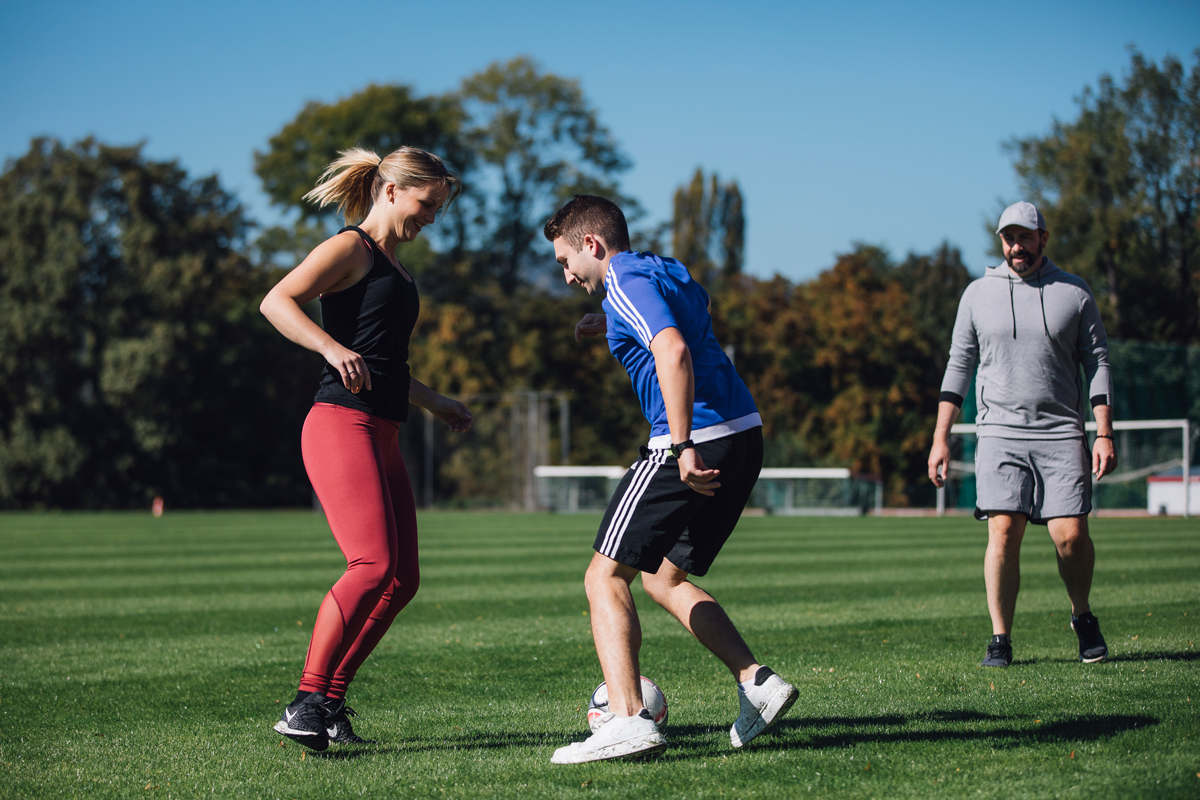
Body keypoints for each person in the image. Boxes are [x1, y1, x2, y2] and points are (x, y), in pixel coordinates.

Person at [543, 195, 797, 764]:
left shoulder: (622, 280)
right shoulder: (662, 269)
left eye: (566, 261)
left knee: (604, 576)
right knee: (663, 578)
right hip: (743, 433)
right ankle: (757, 682)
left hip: (692, 439)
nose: (567, 275)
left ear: (592, 244)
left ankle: (628, 720)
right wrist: (610, 323)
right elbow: (685, 319)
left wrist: (681, 445)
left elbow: (673, 348)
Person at [259, 146, 472, 750]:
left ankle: (329, 702)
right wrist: (329, 348)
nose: (431, 217)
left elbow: (385, 363)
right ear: (391, 191)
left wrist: (435, 402)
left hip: (384, 429)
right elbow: (276, 301)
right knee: (372, 566)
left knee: (402, 581)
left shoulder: (399, 270)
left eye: (438, 208)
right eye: (426, 204)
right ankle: (305, 701)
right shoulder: (352, 248)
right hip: (340, 423)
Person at [928, 200, 1117, 668]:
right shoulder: (976, 294)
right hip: (999, 433)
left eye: (1025, 238)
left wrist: (1104, 431)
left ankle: (1082, 615)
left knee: (1070, 536)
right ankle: (1000, 638)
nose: (1017, 247)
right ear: (1001, 242)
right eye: (1009, 239)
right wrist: (940, 437)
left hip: (1061, 432)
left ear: (1043, 239)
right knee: (1003, 530)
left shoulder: (1074, 292)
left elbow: (1098, 362)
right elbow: (959, 366)